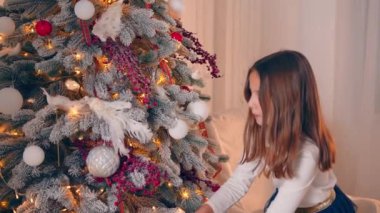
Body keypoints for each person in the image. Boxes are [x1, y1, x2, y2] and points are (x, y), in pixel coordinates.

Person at [196, 50, 357, 213]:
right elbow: (239, 182)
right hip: (286, 203)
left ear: (287, 99)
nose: (250, 103)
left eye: (260, 95)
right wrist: (209, 208)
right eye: (251, 93)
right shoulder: (263, 133)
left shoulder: (308, 153)